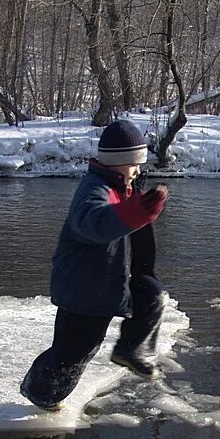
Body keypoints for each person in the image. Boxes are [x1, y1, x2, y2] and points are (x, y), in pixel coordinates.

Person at [20, 119, 168, 411]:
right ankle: (42, 393)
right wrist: (139, 210)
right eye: (134, 163)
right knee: (75, 351)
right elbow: (95, 224)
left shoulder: (123, 185)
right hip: (84, 288)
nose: (139, 170)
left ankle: (132, 351)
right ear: (117, 163)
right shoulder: (93, 189)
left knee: (152, 294)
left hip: (113, 280)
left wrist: (139, 205)